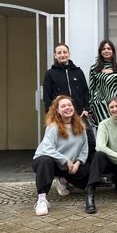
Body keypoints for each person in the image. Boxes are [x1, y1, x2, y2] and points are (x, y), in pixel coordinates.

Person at [42, 43, 95, 194]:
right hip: (60, 118)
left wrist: (86, 108)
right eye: (59, 53)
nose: (62, 55)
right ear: (55, 55)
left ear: (69, 54)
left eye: (65, 52)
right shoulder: (50, 74)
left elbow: (86, 91)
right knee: (61, 145)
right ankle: (61, 177)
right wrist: (51, 116)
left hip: (78, 116)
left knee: (90, 142)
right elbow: (47, 98)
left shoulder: (77, 72)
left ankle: (86, 174)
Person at [32, 95, 89, 216]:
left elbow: (84, 149)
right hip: (49, 163)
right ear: (57, 110)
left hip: (68, 166)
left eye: (69, 105)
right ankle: (42, 199)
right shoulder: (53, 127)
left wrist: (78, 163)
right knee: (45, 161)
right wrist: (66, 160)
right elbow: (47, 148)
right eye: (63, 106)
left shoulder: (81, 126)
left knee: (88, 172)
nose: (67, 108)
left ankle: (63, 180)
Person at [89, 39, 117, 127]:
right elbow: (91, 89)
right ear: (100, 52)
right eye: (103, 49)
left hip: (115, 106)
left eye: (109, 48)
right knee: (102, 133)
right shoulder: (94, 69)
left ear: (113, 51)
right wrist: (90, 109)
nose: (106, 51)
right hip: (99, 107)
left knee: (116, 132)